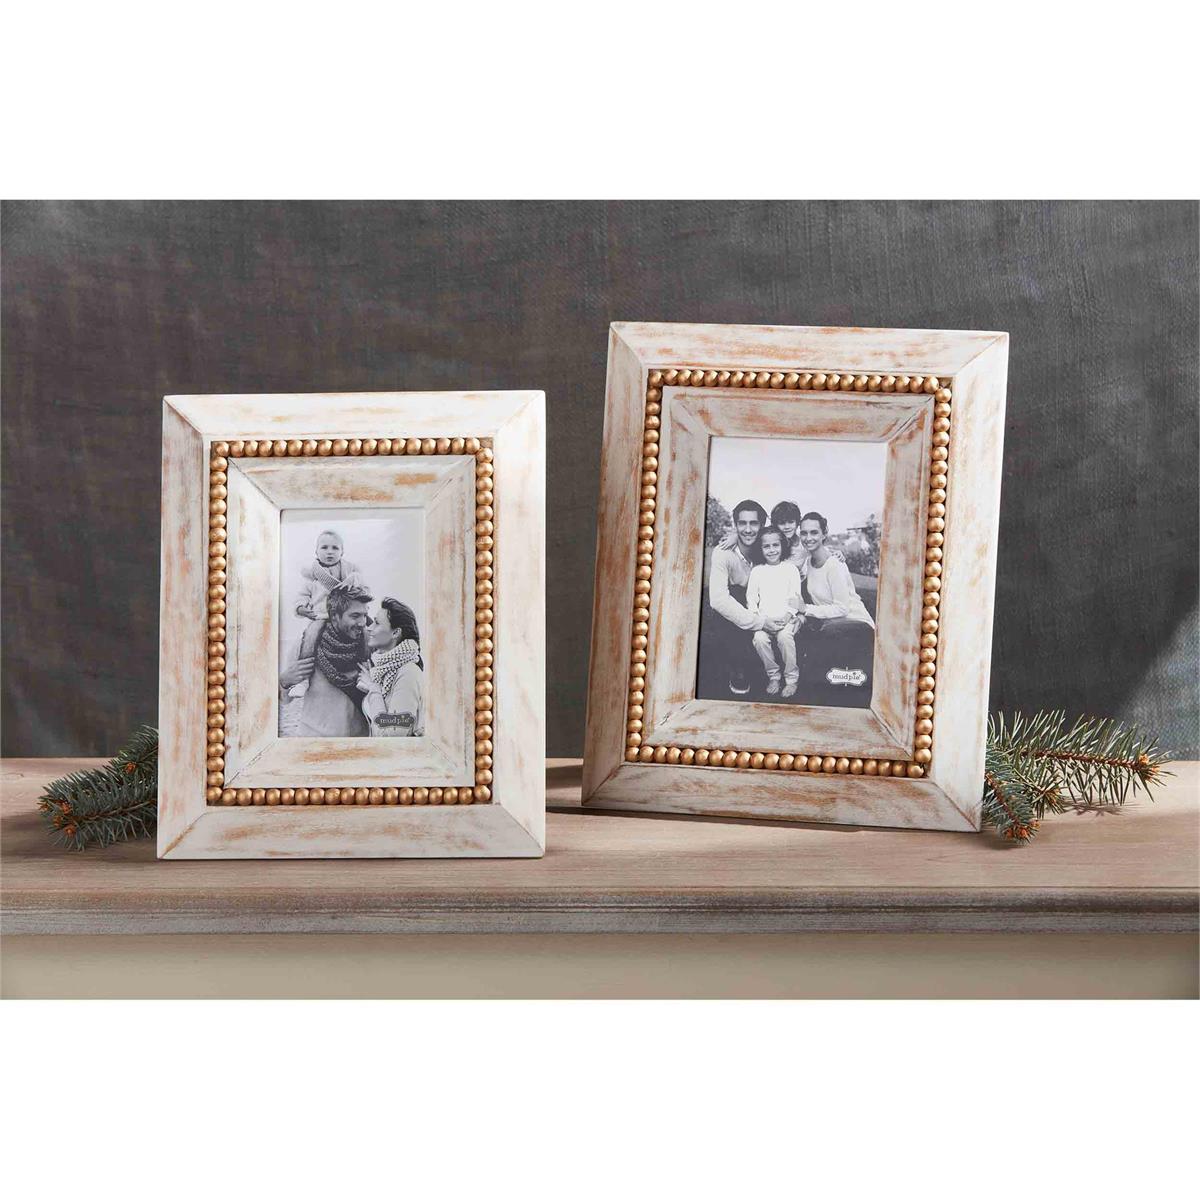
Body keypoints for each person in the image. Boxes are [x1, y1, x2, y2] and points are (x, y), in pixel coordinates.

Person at [703, 499, 786, 696]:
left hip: (761, 604)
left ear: (762, 525)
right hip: (738, 612)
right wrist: (761, 623)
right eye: (742, 523)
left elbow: (792, 539)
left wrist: (834, 555)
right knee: (736, 596)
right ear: (736, 525)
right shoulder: (723, 553)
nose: (748, 529)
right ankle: (738, 668)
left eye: (754, 523)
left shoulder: (766, 548)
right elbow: (718, 600)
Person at [794, 512, 876, 700]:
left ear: (824, 533)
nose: (808, 538)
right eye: (804, 533)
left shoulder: (834, 565)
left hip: (856, 625)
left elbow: (842, 609)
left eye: (814, 533)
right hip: (833, 628)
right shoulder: (808, 562)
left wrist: (805, 608)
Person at [280, 583, 373, 737]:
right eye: (355, 616)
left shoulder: (369, 647)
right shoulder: (306, 646)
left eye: (364, 615)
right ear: (335, 617)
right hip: (313, 740)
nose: (362, 622)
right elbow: (284, 700)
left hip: (358, 744)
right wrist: (284, 681)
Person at [288, 530, 368, 701]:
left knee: (366, 634)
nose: (330, 551)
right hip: (322, 616)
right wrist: (301, 608)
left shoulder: (350, 572)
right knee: (309, 637)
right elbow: (301, 596)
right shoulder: (312, 578)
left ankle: (365, 673)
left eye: (335, 548)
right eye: (324, 547)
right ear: (316, 552)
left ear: (342, 552)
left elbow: (363, 588)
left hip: (345, 615)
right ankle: (302, 680)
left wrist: (354, 579)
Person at [746, 526, 804, 697]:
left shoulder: (790, 569)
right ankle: (774, 676)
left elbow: (795, 597)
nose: (772, 550)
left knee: (785, 637)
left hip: (786, 619)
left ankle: (792, 679)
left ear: (782, 546)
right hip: (764, 621)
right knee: (759, 639)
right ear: (760, 548)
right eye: (767, 546)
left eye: (775, 545)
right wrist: (761, 620)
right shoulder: (757, 571)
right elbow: (751, 599)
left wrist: (787, 616)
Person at [357, 599, 425, 737]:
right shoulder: (383, 670)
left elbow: (392, 735)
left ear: (395, 633)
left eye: (377, 623)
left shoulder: (408, 673)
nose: (369, 627)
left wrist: (373, 687)